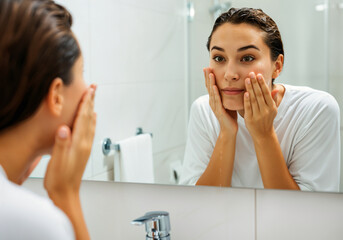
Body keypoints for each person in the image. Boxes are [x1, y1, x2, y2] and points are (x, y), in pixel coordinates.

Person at [180, 7, 340, 192]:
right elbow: (196, 203)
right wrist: (226, 132)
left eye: (247, 58)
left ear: (277, 66)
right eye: (219, 58)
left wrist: (264, 135)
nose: (230, 74)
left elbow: (307, 212)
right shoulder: (203, 110)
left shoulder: (315, 109)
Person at [0, 0, 96, 239]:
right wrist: (66, 194)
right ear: (56, 96)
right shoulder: (39, 224)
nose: (89, 89)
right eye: (82, 73)